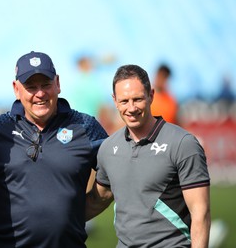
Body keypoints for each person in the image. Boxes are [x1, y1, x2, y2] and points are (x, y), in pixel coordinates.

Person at [0, 51, 109, 248]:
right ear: (16, 89)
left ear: (57, 83)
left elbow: (113, 173)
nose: (40, 93)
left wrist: (75, 213)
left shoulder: (85, 126)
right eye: (31, 87)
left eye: (46, 84)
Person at [86, 64, 211, 247]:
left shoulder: (183, 144)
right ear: (114, 101)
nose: (131, 108)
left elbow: (201, 213)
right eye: (124, 101)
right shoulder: (108, 147)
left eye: (137, 99)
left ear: (151, 95)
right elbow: (99, 199)